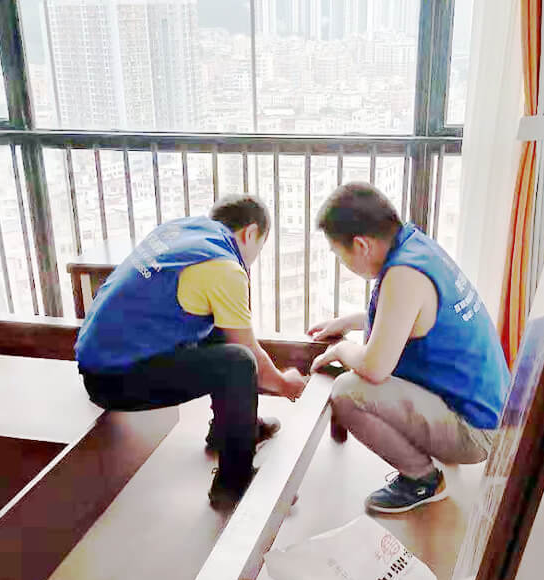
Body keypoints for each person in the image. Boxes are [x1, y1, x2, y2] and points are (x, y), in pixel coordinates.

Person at [75, 194, 307, 509]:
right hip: (116, 378)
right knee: (238, 363)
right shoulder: (223, 267)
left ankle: (229, 432)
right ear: (250, 232)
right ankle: (233, 485)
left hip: (101, 360)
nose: (252, 260)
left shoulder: (181, 233)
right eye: (259, 248)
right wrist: (285, 384)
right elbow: (248, 352)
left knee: (221, 332)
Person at [309, 183, 510, 514]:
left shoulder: (404, 275)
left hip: (476, 430)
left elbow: (375, 367)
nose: (342, 263)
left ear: (360, 245)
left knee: (347, 392)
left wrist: (342, 349)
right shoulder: (416, 247)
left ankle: (421, 479)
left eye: (338, 254)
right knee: (363, 373)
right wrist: (349, 322)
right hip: (489, 407)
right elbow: (408, 319)